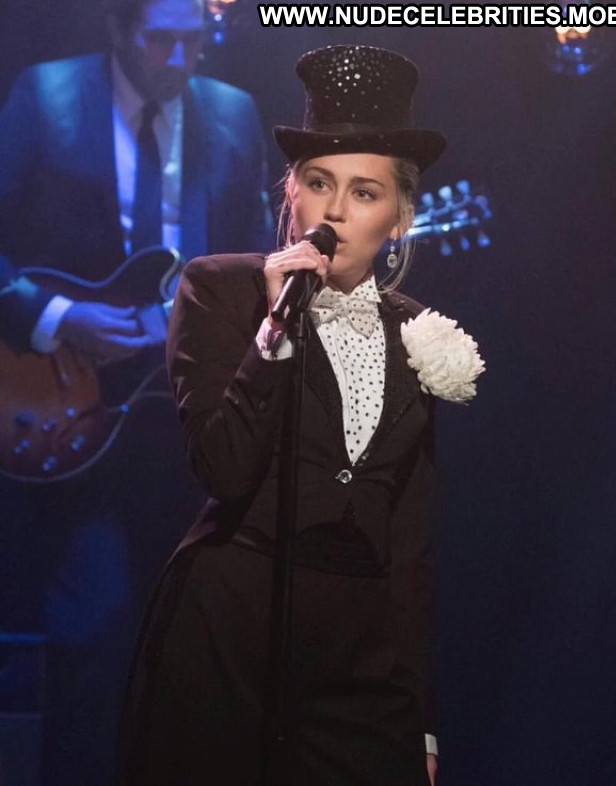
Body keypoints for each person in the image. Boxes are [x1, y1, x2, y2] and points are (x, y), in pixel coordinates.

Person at [120, 44, 453, 785]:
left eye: (365, 192)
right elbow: (223, 466)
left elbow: (409, 543)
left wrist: (421, 721)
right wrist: (276, 330)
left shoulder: (420, 333)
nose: (335, 211)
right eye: (319, 182)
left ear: (399, 217)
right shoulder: (221, 291)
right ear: (291, 194)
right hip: (230, 634)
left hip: (359, 660)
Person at [0, 1, 272, 784]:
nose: (180, 60)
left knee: (191, 647)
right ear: (119, 31)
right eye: (161, 41)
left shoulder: (232, 112)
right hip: (76, 409)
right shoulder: (47, 96)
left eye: (194, 42)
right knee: (92, 637)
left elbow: (254, 259)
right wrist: (56, 317)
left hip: (186, 422)